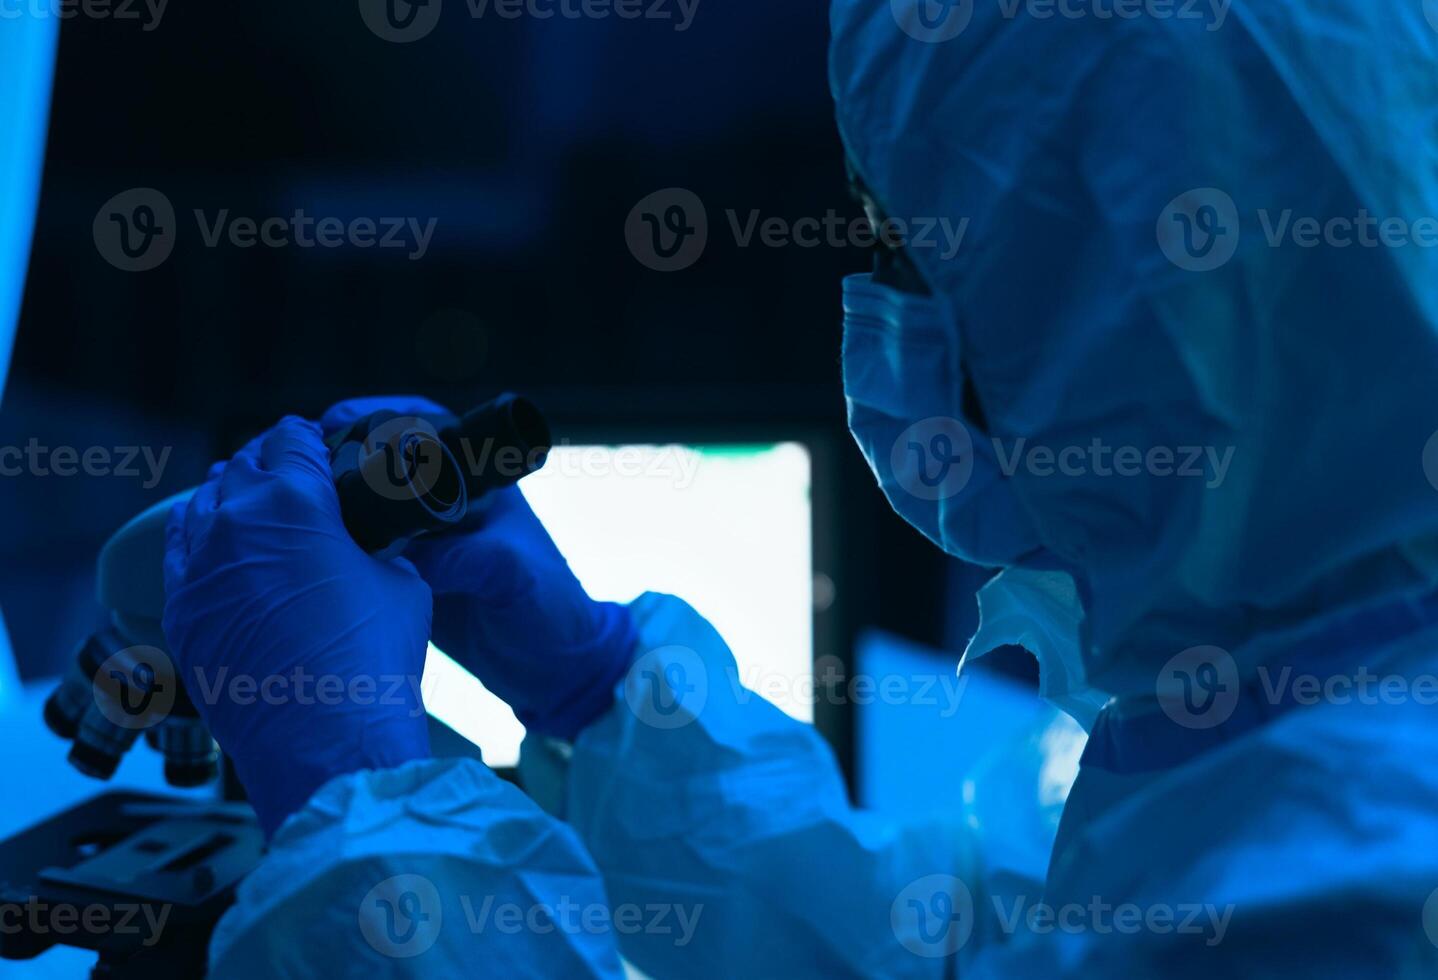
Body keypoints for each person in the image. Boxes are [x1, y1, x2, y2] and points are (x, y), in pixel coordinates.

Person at [151, 0, 1438, 975]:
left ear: (1135, 309)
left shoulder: (1359, 890)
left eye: (904, 244)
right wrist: (598, 692)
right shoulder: (1294, 715)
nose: (890, 315)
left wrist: (364, 822)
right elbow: (966, 956)